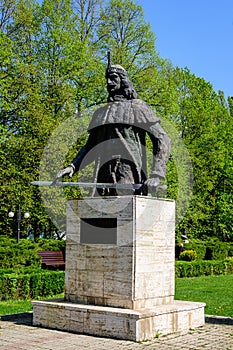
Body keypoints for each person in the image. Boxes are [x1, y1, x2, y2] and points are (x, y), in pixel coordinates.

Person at [54, 59, 171, 196]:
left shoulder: (137, 107)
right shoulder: (101, 113)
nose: (109, 82)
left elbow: (163, 139)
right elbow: (90, 146)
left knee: (125, 212)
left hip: (130, 175)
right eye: (107, 79)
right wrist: (73, 166)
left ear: (123, 80)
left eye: (113, 78)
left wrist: (156, 175)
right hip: (103, 176)